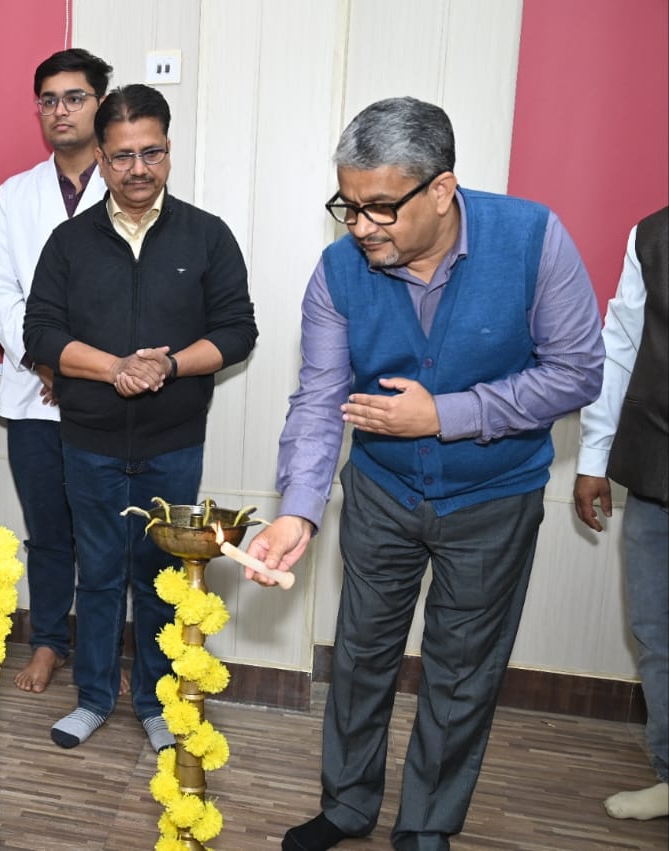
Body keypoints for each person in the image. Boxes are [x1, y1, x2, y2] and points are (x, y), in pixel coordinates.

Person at [243, 97, 604, 851]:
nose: (361, 226)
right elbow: (319, 396)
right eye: (348, 204)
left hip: (495, 497)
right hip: (382, 493)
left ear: (441, 189)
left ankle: (427, 825)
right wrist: (299, 508)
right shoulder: (340, 269)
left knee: (462, 669)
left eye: (381, 207)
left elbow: (577, 372)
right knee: (361, 654)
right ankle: (345, 806)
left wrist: (446, 413)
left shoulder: (533, 238)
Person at [23, 84, 257, 752]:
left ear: (169, 151)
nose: (137, 168)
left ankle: (157, 704)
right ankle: (94, 697)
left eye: (150, 151)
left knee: (161, 578)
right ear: (99, 156)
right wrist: (116, 367)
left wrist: (169, 366)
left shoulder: (207, 235)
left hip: (173, 442)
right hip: (89, 441)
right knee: (96, 572)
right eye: (121, 155)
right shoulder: (69, 243)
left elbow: (237, 332)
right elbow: (40, 333)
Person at [0, 48, 112, 694]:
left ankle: (103, 650)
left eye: (75, 97)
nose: (61, 110)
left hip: (109, 394)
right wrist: (43, 357)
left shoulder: (129, 186)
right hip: (35, 391)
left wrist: (84, 365)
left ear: (101, 104)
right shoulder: (15, 195)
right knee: (49, 530)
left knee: (109, 530)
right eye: (50, 100)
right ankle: (50, 642)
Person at [573, 206, 668, 822]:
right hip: (657, 467)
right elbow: (622, 343)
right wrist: (592, 456)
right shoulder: (651, 235)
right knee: (657, 634)